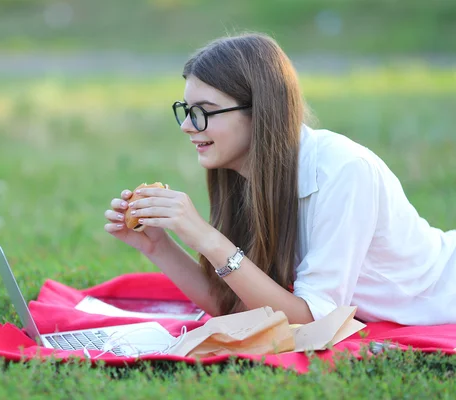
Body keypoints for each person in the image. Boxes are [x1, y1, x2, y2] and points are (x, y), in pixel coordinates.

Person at [103, 32, 456, 326]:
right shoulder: (241, 174)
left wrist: (207, 238)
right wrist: (157, 246)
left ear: (260, 111)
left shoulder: (344, 171)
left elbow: (310, 322)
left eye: (204, 112)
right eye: (186, 110)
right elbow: (235, 306)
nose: (186, 125)